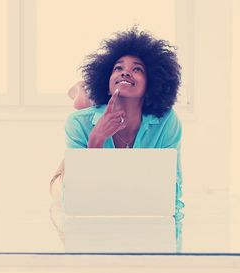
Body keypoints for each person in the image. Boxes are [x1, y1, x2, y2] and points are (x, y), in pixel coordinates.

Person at [51, 27, 185, 215]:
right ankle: (82, 93)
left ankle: (82, 93)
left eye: (137, 69)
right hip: (97, 220)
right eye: (118, 68)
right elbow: (75, 199)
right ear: (107, 83)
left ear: (151, 84)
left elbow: (173, 192)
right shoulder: (78, 123)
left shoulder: (167, 121)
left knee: (83, 104)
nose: (125, 72)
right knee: (82, 108)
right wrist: (96, 140)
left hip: (141, 220)